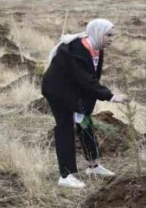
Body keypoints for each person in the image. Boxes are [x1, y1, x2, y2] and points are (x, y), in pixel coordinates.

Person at [41, 19, 127, 188]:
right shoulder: (76, 50)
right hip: (58, 92)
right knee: (65, 127)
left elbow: (91, 78)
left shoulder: (96, 48)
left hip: (73, 92)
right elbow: (85, 79)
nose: (111, 39)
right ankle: (66, 175)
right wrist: (110, 96)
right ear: (97, 33)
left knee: (85, 123)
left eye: (113, 36)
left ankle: (93, 166)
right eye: (108, 35)